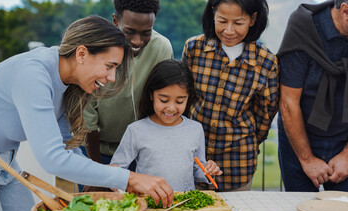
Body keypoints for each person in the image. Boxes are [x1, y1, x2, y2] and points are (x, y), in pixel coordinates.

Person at [0, 15, 173, 211]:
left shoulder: (65, 80)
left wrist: (102, 179)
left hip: (6, 163)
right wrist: (128, 178)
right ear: (82, 54)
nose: (112, 77)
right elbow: (52, 159)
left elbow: (67, 147)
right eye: (109, 66)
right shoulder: (33, 75)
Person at [182, 0, 279, 191]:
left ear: (252, 19)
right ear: (212, 14)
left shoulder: (266, 62)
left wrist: (247, 142)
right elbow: (183, 99)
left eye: (238, 23)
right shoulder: (194, 48)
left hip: (237, 164)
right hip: (192, 159)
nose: (228, 30)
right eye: (222, 21)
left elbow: (264, 115)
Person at [80, 0, 173, 192]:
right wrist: (99, 174)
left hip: (140, 154)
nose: (137, 41)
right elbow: (87, 119)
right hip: (94, 152)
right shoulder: (95, 49)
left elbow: (162, 104)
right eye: (129, 31)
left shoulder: (162, 48)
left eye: (146, 32)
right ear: (115, 21)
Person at [110, 59, 223, 191]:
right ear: (151, 95)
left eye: (180, 101)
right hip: (149, 205)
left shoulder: (195, 129)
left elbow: (198, 170)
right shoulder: (136, 130)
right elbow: (116, 171)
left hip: (185, 205)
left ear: (188, 98)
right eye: (163, 100)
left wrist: (208, 171)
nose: (171, 108)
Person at [277, 0, 348, 192]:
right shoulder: (304, 27)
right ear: (345, 11)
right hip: (298, 138)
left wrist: (347, 156)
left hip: (344, 141)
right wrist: (307, 159)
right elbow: (288, 102)